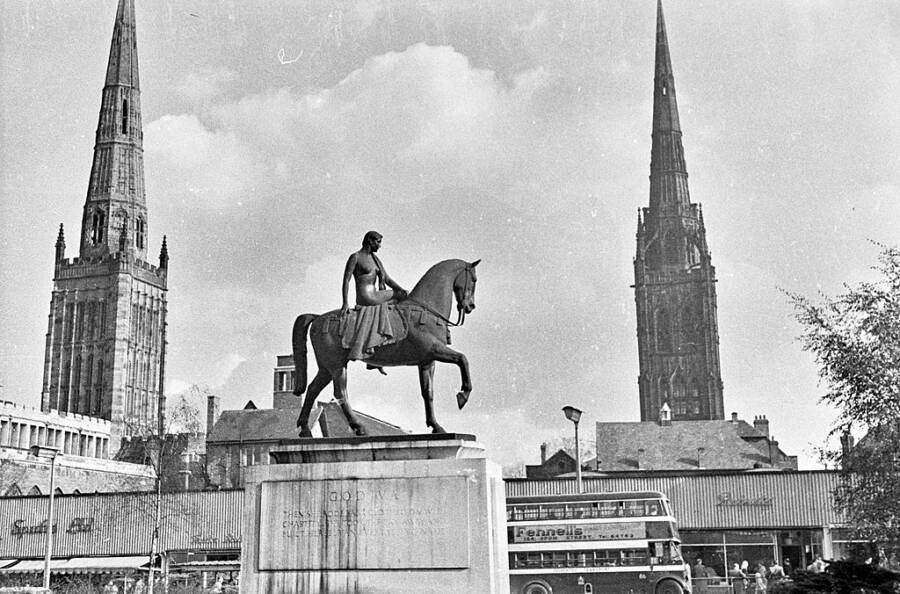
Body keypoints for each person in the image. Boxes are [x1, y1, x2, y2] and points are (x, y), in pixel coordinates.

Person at [341, 231, 407, 316]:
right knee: (399, 295)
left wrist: (402, 289)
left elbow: (387, 280)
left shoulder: (376, 260)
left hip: (374, 294)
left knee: (402, 294)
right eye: (378, 242)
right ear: (370, 241)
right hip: (366, 297)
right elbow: (346, 280)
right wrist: (345, 303)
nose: (379, 246)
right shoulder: (355, 257)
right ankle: (387, 305)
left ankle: (387, 305)